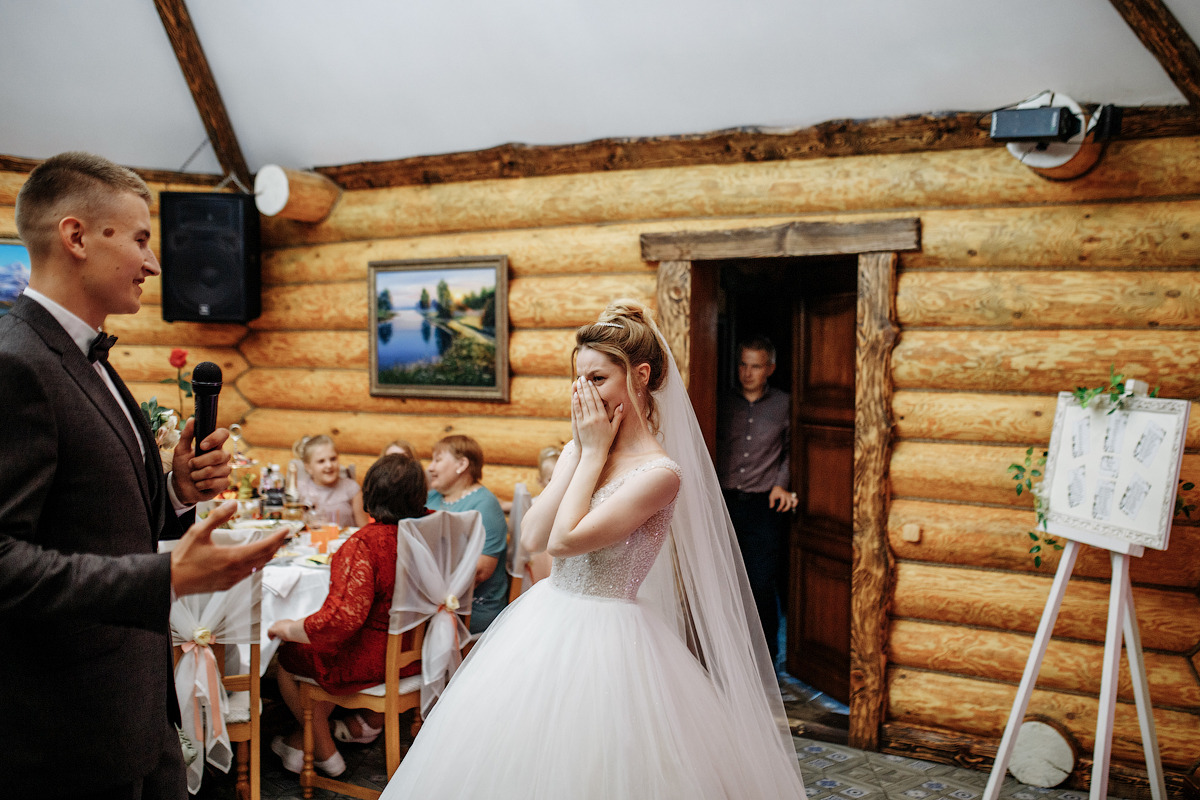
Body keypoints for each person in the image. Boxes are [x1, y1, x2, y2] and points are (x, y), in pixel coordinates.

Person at [378, 300, 805, 799]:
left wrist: (594, 452)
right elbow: (533, 537)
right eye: (578, 379)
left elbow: (565, 540)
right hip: (544, 622)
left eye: (598, 378)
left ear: (640, 375)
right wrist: (585, 452)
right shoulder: (581, 448)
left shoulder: (659, 474)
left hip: (614, 638)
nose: (584, 394)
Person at [0, 151, 286, 800]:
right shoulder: (16, 364)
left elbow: (97, 517)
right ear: (76, 237)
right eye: (139, 239)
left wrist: (176, 490)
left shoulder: (88, 355)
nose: (154, 264)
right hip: (63, 729)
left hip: (133, 708)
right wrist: (168, 577)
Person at [267, 453, 429, 777]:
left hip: (373, 659)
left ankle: (326, 754)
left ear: (370, 494)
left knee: (286, 657)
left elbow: (340, 622)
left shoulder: (365, 544)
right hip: (421, 651)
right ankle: (300, 745)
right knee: (316, 653)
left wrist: (288, 627)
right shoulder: (431, 529)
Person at [717, 336, 798, 666]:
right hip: (723, 501)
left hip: (763, 506)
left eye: (755, 366)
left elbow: (795, 451)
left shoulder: (785, 404)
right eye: (743, 365)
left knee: (761, 583)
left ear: (771, 369)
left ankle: (766, 662)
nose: (747, 373)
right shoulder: (721, 401)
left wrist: (782, 484)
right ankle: (726, 660)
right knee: (723, 580)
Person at [424, 434, 508, 633]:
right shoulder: (432, 497)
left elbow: (481, 571)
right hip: (431, 598)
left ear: (461, 464)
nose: (430, 467)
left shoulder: (485, 505)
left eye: (437, 460)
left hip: (472, 608)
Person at [294, 434, 369, 528]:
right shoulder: (300, 489)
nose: (329, 465)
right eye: (321, 461)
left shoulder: (352, 488)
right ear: (308, 467)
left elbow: (364, 527)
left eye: (333, 459)